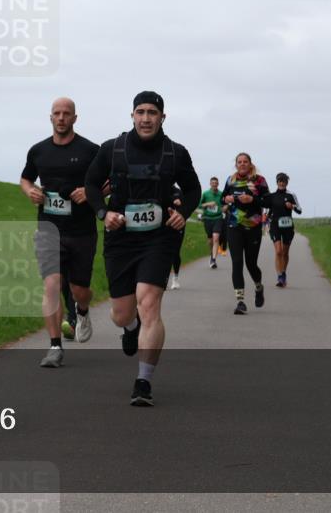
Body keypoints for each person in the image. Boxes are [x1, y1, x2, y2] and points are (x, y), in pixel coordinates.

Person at [85, 91, 201, 406]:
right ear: (132, 115)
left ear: (163, 117)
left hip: (159, 238)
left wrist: (183, 212)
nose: (146, 118)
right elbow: (92, 184)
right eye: (140, 112)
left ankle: (143, 381)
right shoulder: (112, 149)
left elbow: (193, 189)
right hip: (121, 237)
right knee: (122, 313)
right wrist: (103, 213)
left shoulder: (176, 153)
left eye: (152, 112)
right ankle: (131, 327)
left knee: (149, 304)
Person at [20, 98, 100, 367]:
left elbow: (109, 182)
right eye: (57, 113)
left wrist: (90, 192)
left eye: (67, 114)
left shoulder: (91, 150)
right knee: (52, 285)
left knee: (79, 290)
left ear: (75, 118)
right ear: (50, 117)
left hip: (82, 231)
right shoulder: (38, 151)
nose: (62, 118)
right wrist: (29, 191)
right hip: (48, 229)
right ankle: (55, 347)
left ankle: (83, 310)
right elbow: (25, 178)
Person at [221, 153, 270, 315]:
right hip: (234, 225)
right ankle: (240, 302)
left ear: (250, 164)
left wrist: (252, 200)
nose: (242, 164)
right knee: (237, 262)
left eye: (245, 162)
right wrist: (227, 199)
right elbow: (222, 199)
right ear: (236, 165)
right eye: (239, 162)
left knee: (251, 264)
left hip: (253, 226)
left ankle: (258, 287)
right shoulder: (230, 180)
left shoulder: (259, 180)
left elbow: (267, 201)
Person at [266, 172, 302, 287]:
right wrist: (266, 221)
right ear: (277, 182)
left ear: (287, 183)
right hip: (275, 225)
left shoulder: (291, 195)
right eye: (280, 181)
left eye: (284, 181)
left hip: (287, 226)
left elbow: (300, 210)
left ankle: (283, 272)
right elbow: (268, 211)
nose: (281, 183)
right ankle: (280, 276)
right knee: (278, 251)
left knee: (285, 252)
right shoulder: (272, 196)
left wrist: (292, 207)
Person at [199, 177, 224, 268]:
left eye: (216, 183)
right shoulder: (205, 194)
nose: (214, 184)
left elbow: (225, 205)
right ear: (210, 184)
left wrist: (225, 208)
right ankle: (211, 253)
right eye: (213, 183)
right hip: (207, 218)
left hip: (218, 218)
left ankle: (213, 260)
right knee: (210, 240)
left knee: (216, 238)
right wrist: (207, 204)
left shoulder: (221, 194)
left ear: (218, 184)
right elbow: (200, 205)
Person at [167, 188, 186, 289]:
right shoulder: (158, 188)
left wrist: (180, 203)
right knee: (161, 252)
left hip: (177, 224)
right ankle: (163, 279)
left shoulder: (178, 192)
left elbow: (187, 206)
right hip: (163, 225)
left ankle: (175, 278)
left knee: (175, 252)